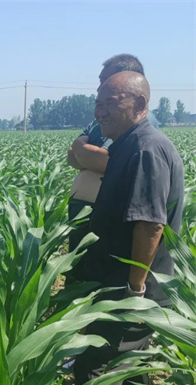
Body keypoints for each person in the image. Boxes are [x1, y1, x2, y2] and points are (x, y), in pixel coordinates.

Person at [57, 71, 185, 385]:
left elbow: (150, 224)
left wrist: (134, 288)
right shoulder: (128, 145)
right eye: (98, 101)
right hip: (127, 284)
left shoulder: (146, 148)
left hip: (130, 286)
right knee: (129, 371)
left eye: (112, 100)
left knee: (93, 375)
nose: (101, 109)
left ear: (140, 104)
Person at [67, 54, 149, 253]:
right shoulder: (100, 120)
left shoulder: (134, 121)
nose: (99, 87)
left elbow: (109, 162)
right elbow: (71, 156)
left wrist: (82, 150)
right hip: (83, 211)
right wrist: (85, 153)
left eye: (105, 81)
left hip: (105, 215)